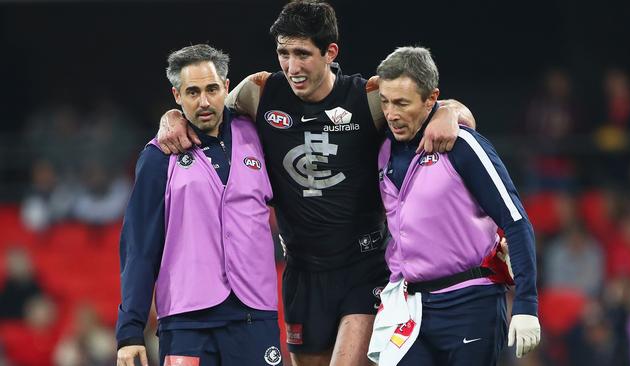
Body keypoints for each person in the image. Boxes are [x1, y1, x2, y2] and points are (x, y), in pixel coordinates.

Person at [157, 2, 475, 365]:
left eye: (303, 54)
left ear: (330, 52)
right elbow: (207, 116)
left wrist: (450, 113)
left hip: (363, 267)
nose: (292, 67)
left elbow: (442, 108)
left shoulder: (367, 97)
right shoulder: (258, 92)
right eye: (283, 53)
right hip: (302, 273)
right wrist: (172, 117)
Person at [368, 46, 540, 365]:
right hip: (408, 307)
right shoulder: (381, 149)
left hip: (471, 301)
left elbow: (516, 221)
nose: (391, 113)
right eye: (386, 102)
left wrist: (527, 304)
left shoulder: (463, 146)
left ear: (431, 99)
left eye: (402, 103)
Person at [115, 44, 282, 366]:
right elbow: (139, 247)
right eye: (192, 92)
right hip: (186, 322)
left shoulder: (260, 136)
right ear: (176, 95)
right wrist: (130, 331)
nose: (204, 102)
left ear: (227, 88)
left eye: (211, 89)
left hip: (254, 315)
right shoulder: (158, 157)